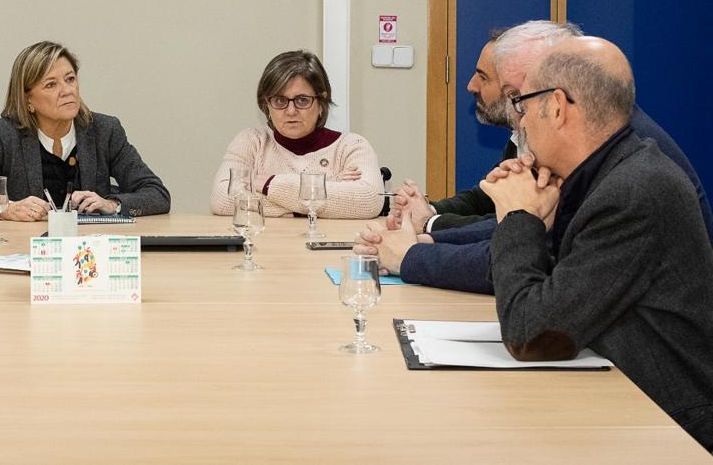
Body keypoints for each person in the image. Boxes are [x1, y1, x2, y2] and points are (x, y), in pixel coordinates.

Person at [357, 22, 713, 293]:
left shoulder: (629, 179)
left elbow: (538, 288)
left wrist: (413, 255)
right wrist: (428, 241)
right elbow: (528, 241)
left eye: (521, 96)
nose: (520, 111)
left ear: (556, 97)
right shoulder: (601, 148)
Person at [482, 37, 713, 450]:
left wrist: (519, 218)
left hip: (671, 427)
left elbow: (530, 334)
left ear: (556, 107)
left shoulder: (634, 191)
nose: (519, 120)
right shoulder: (609, 172)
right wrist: (541, 224)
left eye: (523, 105)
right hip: (625, 397)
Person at [0, 41, 170, 220]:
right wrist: (6, 209)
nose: (67, 90)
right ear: (28, 100)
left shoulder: (105, 131)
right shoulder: (4, 135)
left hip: (90, 254)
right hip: (25, 251)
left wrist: (112, 205)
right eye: (51, 84)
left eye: (70, 79)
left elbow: (157, 194)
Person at [211, 50, 382, 218]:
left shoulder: (352, 146)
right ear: (267, 105)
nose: (291, 111)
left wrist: (270, 185)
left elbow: (369, 200)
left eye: (302, 100)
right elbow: (222, 199)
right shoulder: (251, 141)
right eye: (280, 100)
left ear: (321, 102)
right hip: (266, 245)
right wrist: (327, 190)